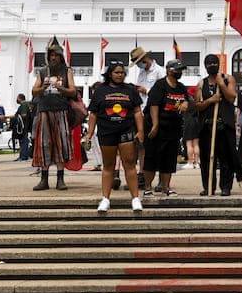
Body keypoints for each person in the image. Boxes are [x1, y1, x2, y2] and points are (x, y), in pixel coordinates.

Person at [84, 61, 144, 212]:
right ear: (110, 74)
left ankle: (135, 198)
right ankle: (105, 198)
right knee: (108, 165)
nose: (120, 75)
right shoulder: (100, 91)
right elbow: (93, 113)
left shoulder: (130, 90)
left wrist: (141, 130)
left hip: (126, 131)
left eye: (122, 72)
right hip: (107, 131)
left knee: (129, 164)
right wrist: (89, 133)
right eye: (117, 72)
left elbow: (137, 111)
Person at [31, 38, 76, 191]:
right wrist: (43, 88)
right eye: (51, 55)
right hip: (44, 110)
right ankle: (44, 179)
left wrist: (60, 88)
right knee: (44, 144)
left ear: (61, 56)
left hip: (61, 110)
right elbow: (34, 91)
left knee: (61, 143)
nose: (53, 57)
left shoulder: (67, 71)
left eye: (56, 55)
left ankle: (60, 179)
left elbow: (73, 91)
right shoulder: (43, 72)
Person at [192, 54, 239, 196]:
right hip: (207, 126)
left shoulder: (228, 79)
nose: (212, 65)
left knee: (226, 159)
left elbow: (231, 97)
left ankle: (226, 187)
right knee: (207, 159)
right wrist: (211, 100)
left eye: (215, 63)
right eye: (209, 63)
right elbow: (198, 105)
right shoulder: (201, 84)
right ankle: (208, 187)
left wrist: (221, 84)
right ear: (205, 66)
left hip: (224, 126)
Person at [145, 59, 191, 197]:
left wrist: (186, 104)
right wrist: (155, 124)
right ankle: (147, 187)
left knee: (169, 160)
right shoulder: (160, 86)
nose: (179, 73)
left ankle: (166, 187)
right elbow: (153, 105)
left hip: (173, 128)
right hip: (158, 128)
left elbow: (187, 100)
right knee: (151, 159)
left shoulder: (181, 87)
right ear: (169, 70)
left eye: (181, 70)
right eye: (177, 70)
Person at [130, 47, 163, 189]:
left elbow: (162, 91)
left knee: (160, 147)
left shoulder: (159, 71)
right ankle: (142, 175)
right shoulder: (142, 73)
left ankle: (162, 178)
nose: (139, 65)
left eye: (139, 62)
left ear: (145, 59)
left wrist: (147, 90)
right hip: (142, 111)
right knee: (142, 145)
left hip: (156, 112)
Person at [11, 94, 32, 161]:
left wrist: (16, 116)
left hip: (23, 127)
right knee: (23, 140)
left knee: (23, 140)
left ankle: (23, 155)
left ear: (20, 98)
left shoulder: (24, 105)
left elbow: (24, 115)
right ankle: (23, 155)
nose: (17, 99)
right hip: (23, 127)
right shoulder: (24, 105)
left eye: (17, 98)